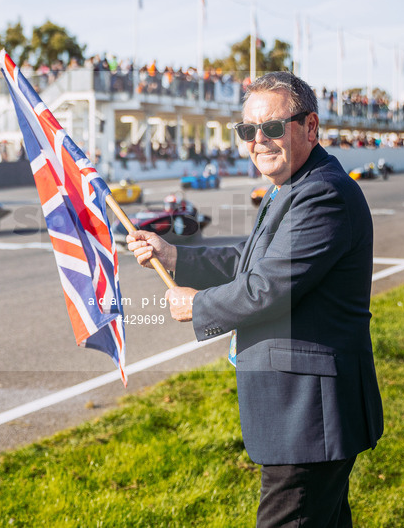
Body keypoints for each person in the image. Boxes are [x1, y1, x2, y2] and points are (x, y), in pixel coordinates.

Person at [127, 71, 383, 527]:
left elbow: (268, 287)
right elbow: (250, 260)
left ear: (310, 127)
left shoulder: (323, 193)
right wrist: (174, 256)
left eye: (270, 127)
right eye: (247, 130)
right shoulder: (292, 185)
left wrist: (197, 305)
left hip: (310, 415)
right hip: (305, 412)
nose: (257, 140)